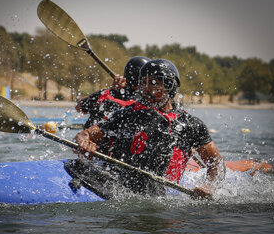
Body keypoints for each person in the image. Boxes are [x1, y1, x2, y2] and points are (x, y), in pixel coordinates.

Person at [74, 59, 225, 200]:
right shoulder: (127, 114)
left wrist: (208, 186)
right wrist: (85, 142)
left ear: (170, 87)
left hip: (163, 199)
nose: (146, 89)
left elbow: (216, 164)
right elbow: (85, 134)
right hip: (116, 187)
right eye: (143, 83)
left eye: (154, 83)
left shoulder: (191, 125)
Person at [75, 56, 151, 129]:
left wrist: (112, 89)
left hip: (88, 138)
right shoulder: (145, 101)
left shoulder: (104, 94)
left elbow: (78, 107)